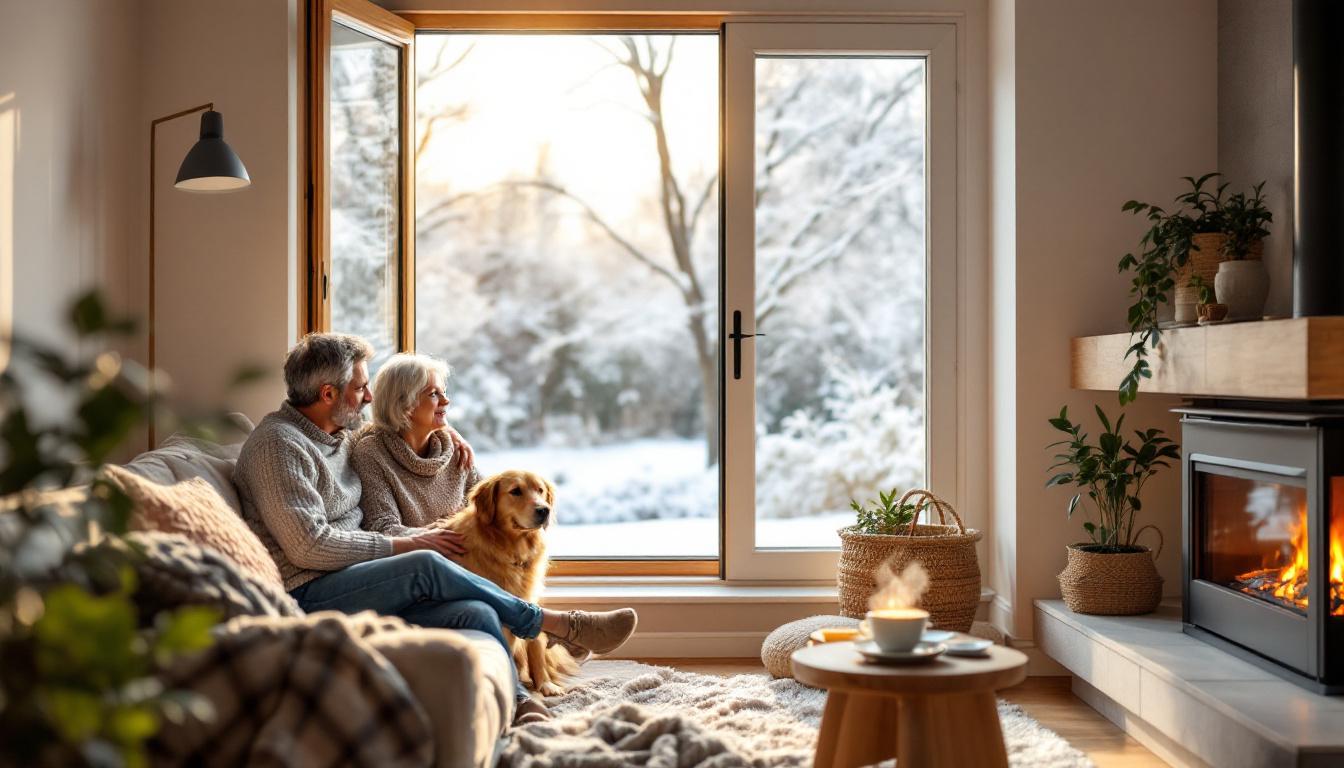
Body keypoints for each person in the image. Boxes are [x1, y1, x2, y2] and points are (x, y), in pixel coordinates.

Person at [235, 334, 637, 726]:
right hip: (308, 593)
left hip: (357, 581)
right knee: (423, 561)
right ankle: (561, 625)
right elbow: (308, 546)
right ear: (327, 395)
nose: (369, 397)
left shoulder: (336, 437)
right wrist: (407, 543)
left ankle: (517, 701)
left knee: (477, 612)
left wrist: (445, 430)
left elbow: (392, 431)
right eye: (360, 388)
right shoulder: (278, 446)